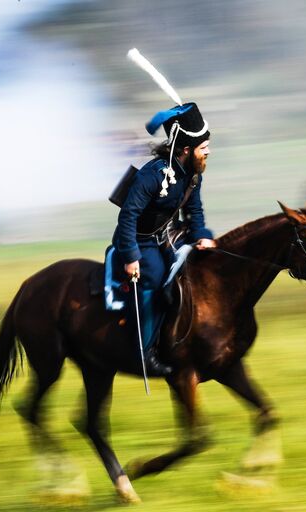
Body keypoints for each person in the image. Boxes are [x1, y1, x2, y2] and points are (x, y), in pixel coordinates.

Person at [112, 102, 217, 376]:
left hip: (168, 236)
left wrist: (201, 236)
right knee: (157, 278)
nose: (208, 151)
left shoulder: (193, 175)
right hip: (138, 240)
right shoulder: (151, 175)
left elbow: (194, 211)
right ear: (185, 150)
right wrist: (131, 256)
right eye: (203, 147)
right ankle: (144, 352)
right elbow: (127, 217)